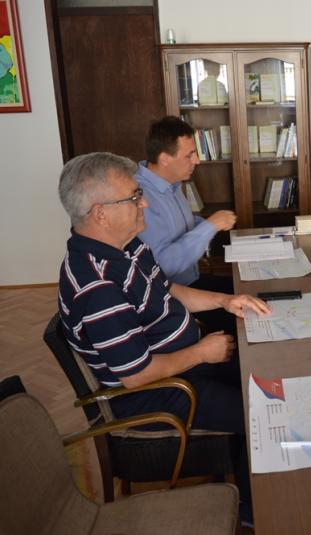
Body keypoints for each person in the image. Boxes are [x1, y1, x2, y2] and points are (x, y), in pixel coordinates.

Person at [57, 152, 271, 524]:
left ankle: (251, 482)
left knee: (266, 367)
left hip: (182, 365)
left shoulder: (126, 246)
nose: (144, 203)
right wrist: (202, 353)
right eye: (134, 197)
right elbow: (136, 375)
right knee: (264, 412)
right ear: (100, 214)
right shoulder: (96, 286)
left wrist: (225, 300)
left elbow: (167, 289)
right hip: (155, 392)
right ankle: (254, 514)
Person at [136, 116, 236, 290]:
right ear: (164, 159)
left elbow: (183, 226)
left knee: (251, 292)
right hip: (169, 295)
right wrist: (211, 226)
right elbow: (164, 266)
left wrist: (211, 223)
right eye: (189, 155)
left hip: (192, 280)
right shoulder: (139, 196)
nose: (197, 161)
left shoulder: (171, 183)